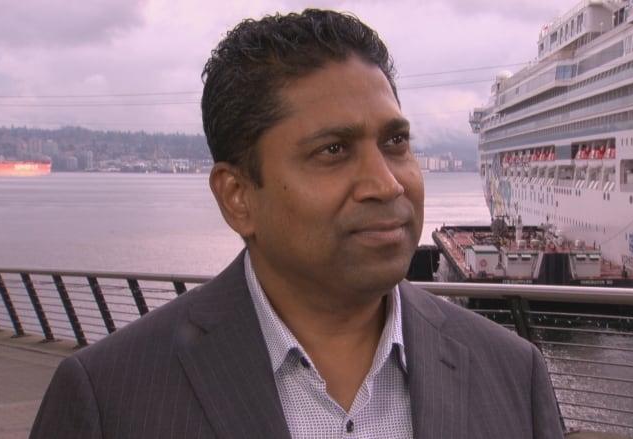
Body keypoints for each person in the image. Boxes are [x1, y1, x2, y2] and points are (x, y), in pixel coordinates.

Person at [30, 9, 564, 439]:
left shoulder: (513, 375)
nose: (387, 183)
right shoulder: (111, 399)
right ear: (237, 197)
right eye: (333, 150)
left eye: (395, 142)